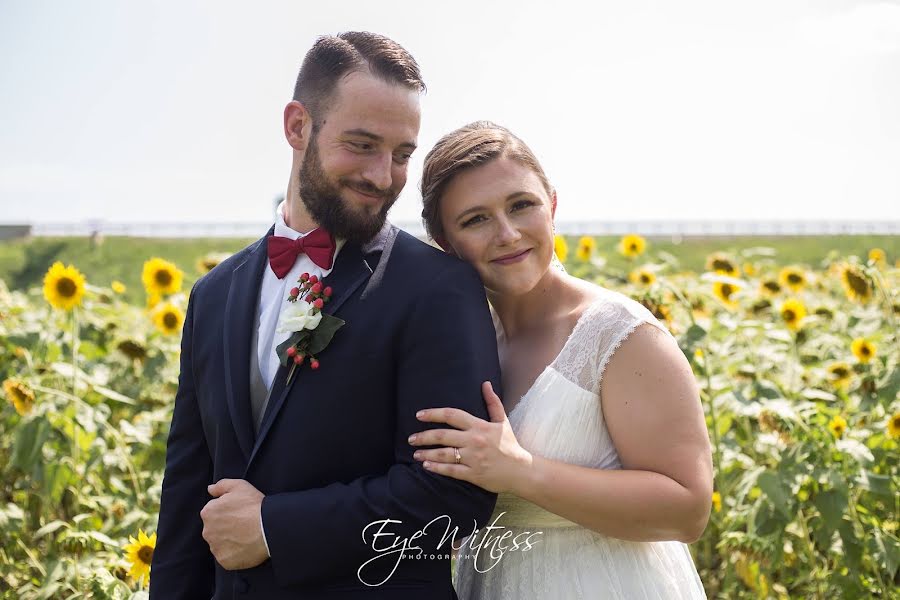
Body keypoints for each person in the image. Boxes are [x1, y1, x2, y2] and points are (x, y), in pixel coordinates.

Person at [150, 34, 501, 599]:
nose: (383, 176)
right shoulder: (212, 295)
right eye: (361, 145)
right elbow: (187, 493)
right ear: (297, 127)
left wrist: (275, 527)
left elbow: (453, 497)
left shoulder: (439, 289)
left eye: (402, 154)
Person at [409, 121, 713, 598]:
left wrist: (523, 472)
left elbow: (687, 509)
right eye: (476, 219)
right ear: (445, 243)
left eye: (521, 205)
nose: (508, 234)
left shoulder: (620, 334)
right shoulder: (464, 342)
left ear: (551, 205)